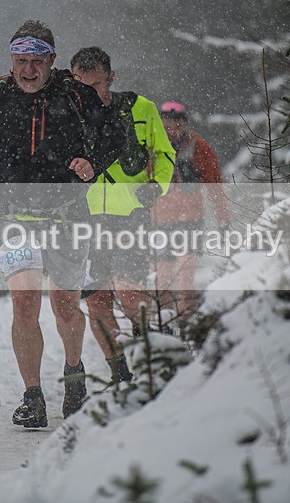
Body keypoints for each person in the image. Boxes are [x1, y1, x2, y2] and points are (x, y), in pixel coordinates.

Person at [0, 21, 123, 428]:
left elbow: (115, 134)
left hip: (68, 216)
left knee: (65, 306)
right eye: (21, 61)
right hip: (15, 217)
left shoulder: (76, 95)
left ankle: (73, 375)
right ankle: (32, 397)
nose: (28, 70)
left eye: (36, 61)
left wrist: (93, 162)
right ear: (12, 60)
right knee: (24, 301)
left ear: (52, 60)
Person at [70, 47, 175, 384]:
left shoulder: (140, 109)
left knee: (129, 290)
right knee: (97, 301)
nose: (88, 93)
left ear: (111, 78)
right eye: (80, 85)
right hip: (84, 219)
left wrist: (157, 186)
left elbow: (164, 153)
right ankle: (120, 373)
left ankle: (151, 358)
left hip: (129, 215)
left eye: (96, 85)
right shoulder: (65, 114)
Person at [151, 100, 231, 317]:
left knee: (186, 274)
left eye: (176, 126)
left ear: (184, 123)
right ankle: (165, 323)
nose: (172, 131)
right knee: (164, 276)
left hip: (191, 220)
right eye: (167, 126)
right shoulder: (152, 147)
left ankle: (186, 321)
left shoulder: (198, 147)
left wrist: (223, 218)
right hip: (160, 222)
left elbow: (215, 184)